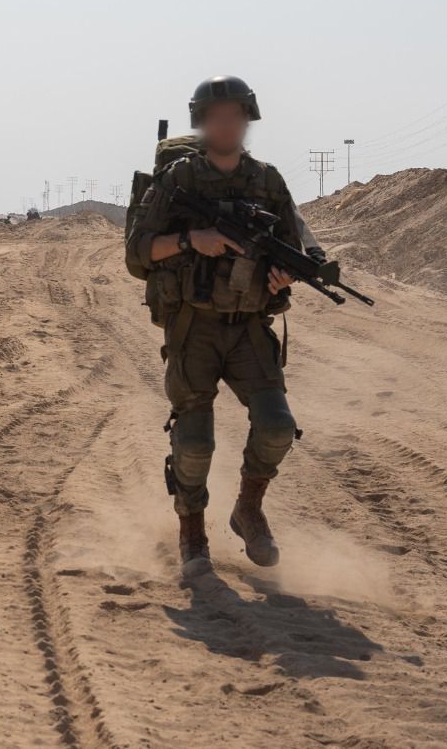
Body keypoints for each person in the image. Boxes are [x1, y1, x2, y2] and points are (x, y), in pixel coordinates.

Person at [126, 76, 304, 576]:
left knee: (277, 427)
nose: (226, 124)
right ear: (201, 122)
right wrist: (191, 240)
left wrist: (284, 273)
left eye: (235, 115)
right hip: (193, 328)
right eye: (215, 116)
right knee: (195, 440)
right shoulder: (179, 181)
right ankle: (192, 534)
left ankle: (248, 509)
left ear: (248, 119)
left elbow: (296, 245)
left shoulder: (268, 181)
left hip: (249, 327)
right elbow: (137, 254)